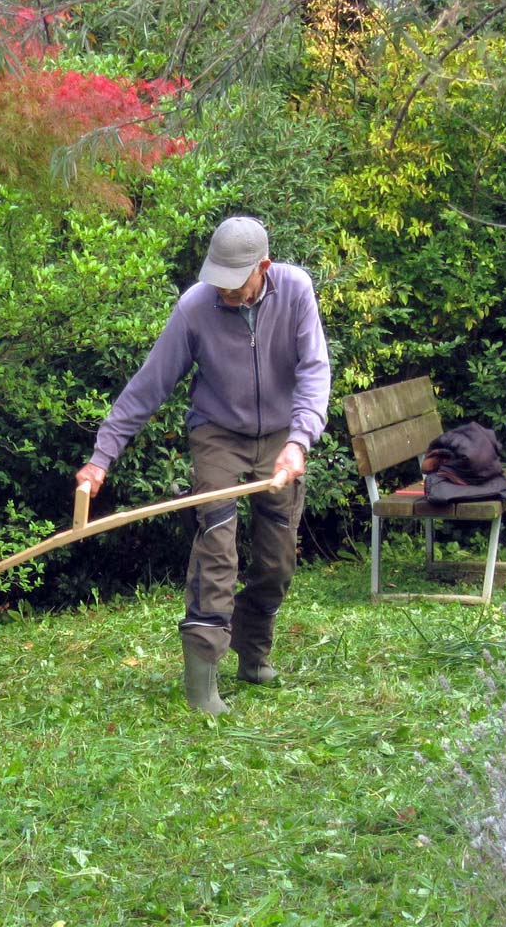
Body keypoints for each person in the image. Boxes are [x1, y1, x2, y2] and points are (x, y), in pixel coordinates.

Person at [75, 215, 330, 714]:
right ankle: (201, 685)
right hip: (216, 435)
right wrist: (100, 458)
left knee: (277, 559)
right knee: (217, 546)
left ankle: (253, 654)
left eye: (237, 283)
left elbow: (314, 370)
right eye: (220, 281)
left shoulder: (297, 291)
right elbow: (149, 385)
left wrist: (299, 441)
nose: (226, 292)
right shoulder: (195, 307)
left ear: (265, 267)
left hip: (280, 436)